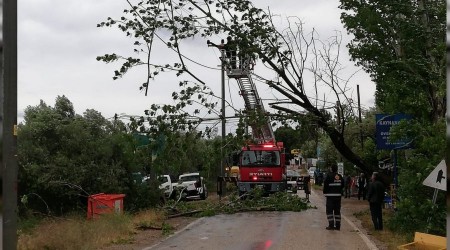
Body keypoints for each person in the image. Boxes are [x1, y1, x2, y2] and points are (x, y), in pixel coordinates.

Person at [323, 164, 344, 230]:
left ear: (331, 169)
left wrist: (325, 192)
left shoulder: (328, 176)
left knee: (329, 211)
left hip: (330, 197)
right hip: (338, 197)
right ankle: (338, 226)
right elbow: (343, 184)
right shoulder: (340, 176)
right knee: (337, 211)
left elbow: (325, 185)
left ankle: (331, 225)